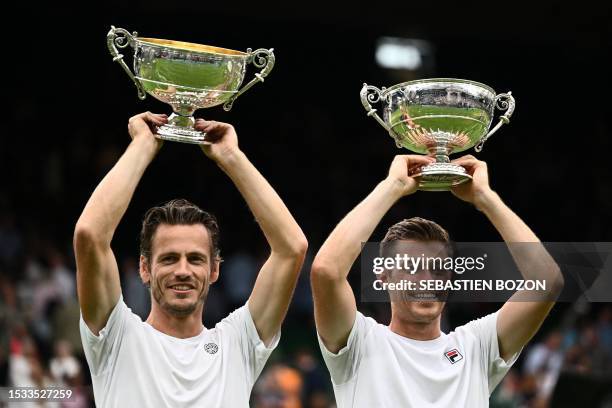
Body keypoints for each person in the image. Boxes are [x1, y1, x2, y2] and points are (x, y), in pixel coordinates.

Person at [74, 112, 308, 407]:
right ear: (145, 269)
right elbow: (89, 236)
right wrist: (143, 146)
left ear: (214, 270)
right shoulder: (116, 337)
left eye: (195, 259)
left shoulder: (237, 344)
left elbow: (292, 249)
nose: (182, 271)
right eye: (169, 259)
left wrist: (231, 157)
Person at [310, 154, 564, 407]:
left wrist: (486, 198)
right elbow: (326, 272)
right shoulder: (360, 344)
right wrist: (392, 186)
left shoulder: (477, 346)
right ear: (384, 277)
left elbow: (547, 282)